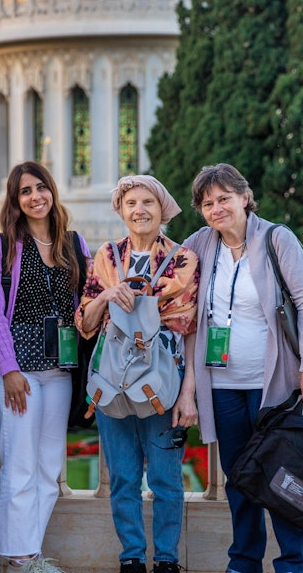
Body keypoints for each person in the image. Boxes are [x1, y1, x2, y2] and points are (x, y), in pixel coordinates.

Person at [184, 163, 303, 573]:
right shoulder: (200, 244)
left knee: (284, 477)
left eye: (224, 198)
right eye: (207, 203)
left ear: (245, 197)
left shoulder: (276, 239)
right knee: (241, 480)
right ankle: (244, 562)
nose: (216, 208)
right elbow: (159, 259)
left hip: (275, 385)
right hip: (223, 387)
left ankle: (292, 564)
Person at [77, 175, 199, 573]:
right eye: (131, 203)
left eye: (148, 202)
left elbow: (186, 322)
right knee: (124, 478)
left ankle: (166, 559)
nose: (140, 210)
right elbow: (85, 320)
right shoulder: (106, 258)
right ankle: (131, 557)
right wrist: (110, 296)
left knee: (166, 479)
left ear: (162, 208)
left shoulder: (184, 260)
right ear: (121, 209)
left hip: (161, 383)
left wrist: (188, 395)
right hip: (112, 382)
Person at [0, 161, 91, 573]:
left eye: (41, 188)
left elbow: (86, 304)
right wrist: (7, 370)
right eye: (25, 191)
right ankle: (18, 557)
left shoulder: (74, 245)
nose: (35, 197)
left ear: (52, 191)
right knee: (19, 464)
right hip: (19, 371)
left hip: (60, 370)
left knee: (48, 467)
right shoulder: (1, 246)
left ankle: (29, 555)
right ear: (16, 201)